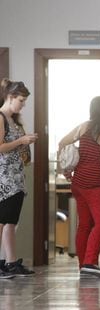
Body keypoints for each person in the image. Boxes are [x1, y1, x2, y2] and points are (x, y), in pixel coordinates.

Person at [58, 96, 100, 278]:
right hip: (95, 184)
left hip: (78, 183)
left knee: (85, 224)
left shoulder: (83, 126)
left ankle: (83, 266)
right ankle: (89, 262)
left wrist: (66, 169)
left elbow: (62, 143)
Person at [0, 79, 38, 279]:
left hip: (16, 178)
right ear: (10, 97)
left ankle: (11, 262)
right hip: (4, 179)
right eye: (21, 101)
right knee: (2, 221)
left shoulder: (14, 119)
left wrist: (24, 143)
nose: (23, 105)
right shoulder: (1, 117)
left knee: (10, 222)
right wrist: (22, 140)